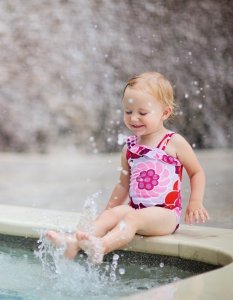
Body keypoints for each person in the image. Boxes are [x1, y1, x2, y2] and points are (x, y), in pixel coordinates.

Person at [46, 71, 209, 264]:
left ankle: (102, 247)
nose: (133, 118)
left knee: (132, 219)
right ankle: (73, 244)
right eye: (128, 111)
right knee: (111, 216)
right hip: (135, 209)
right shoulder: (129, 148)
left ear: (164, 113)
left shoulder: (174, 142)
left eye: (142, 113)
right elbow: (123, 185)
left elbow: (196, 171)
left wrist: (195, 201)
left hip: (165, 214)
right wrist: (109, 215)